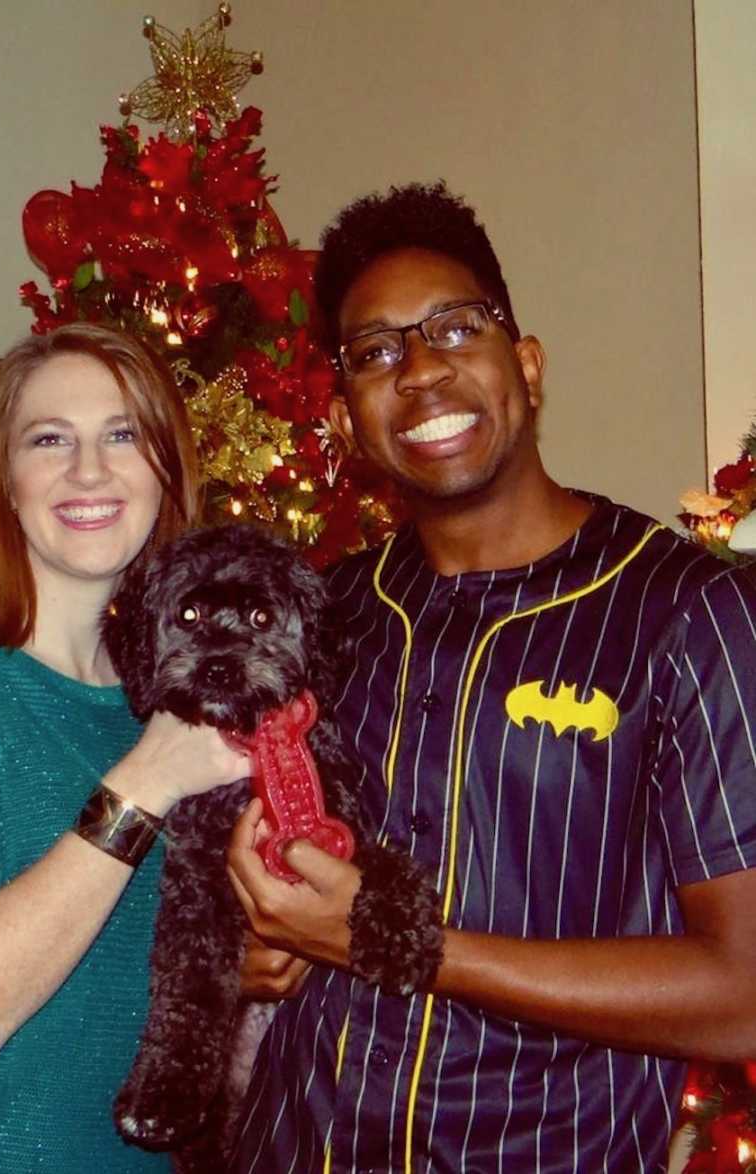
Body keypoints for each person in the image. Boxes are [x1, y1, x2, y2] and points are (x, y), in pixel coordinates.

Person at [227, 183, 756, 1173]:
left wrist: (406, 944)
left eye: (454, 328)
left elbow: (744, 990)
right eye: (375, 352)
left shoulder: (684, 611)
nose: (419, 370)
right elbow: (271, 875)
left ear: (527, 363)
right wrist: (262, 946)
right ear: (345, 418)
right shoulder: (321, 615)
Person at [0, 323, 252, 1173]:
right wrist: (148, 777)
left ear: (164, 470)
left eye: (121, 434)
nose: (88, 471)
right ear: (3, 481)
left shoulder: (167, 709)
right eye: (49, 440)